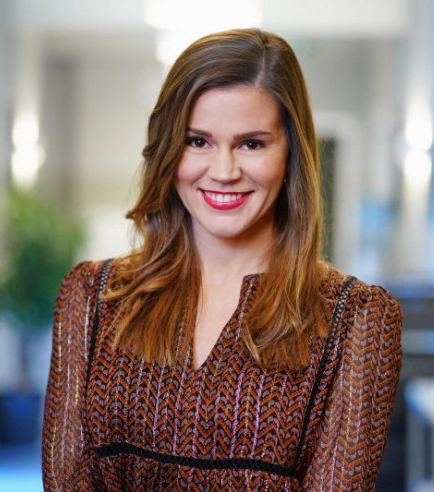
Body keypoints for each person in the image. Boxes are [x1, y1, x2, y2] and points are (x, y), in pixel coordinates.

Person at [42, 28, 402, 491]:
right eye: (198, 141)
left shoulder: (357, 320)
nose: (224, 171)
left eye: (252, 143)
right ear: (168, 149)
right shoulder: (93, 297)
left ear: (291, 153)